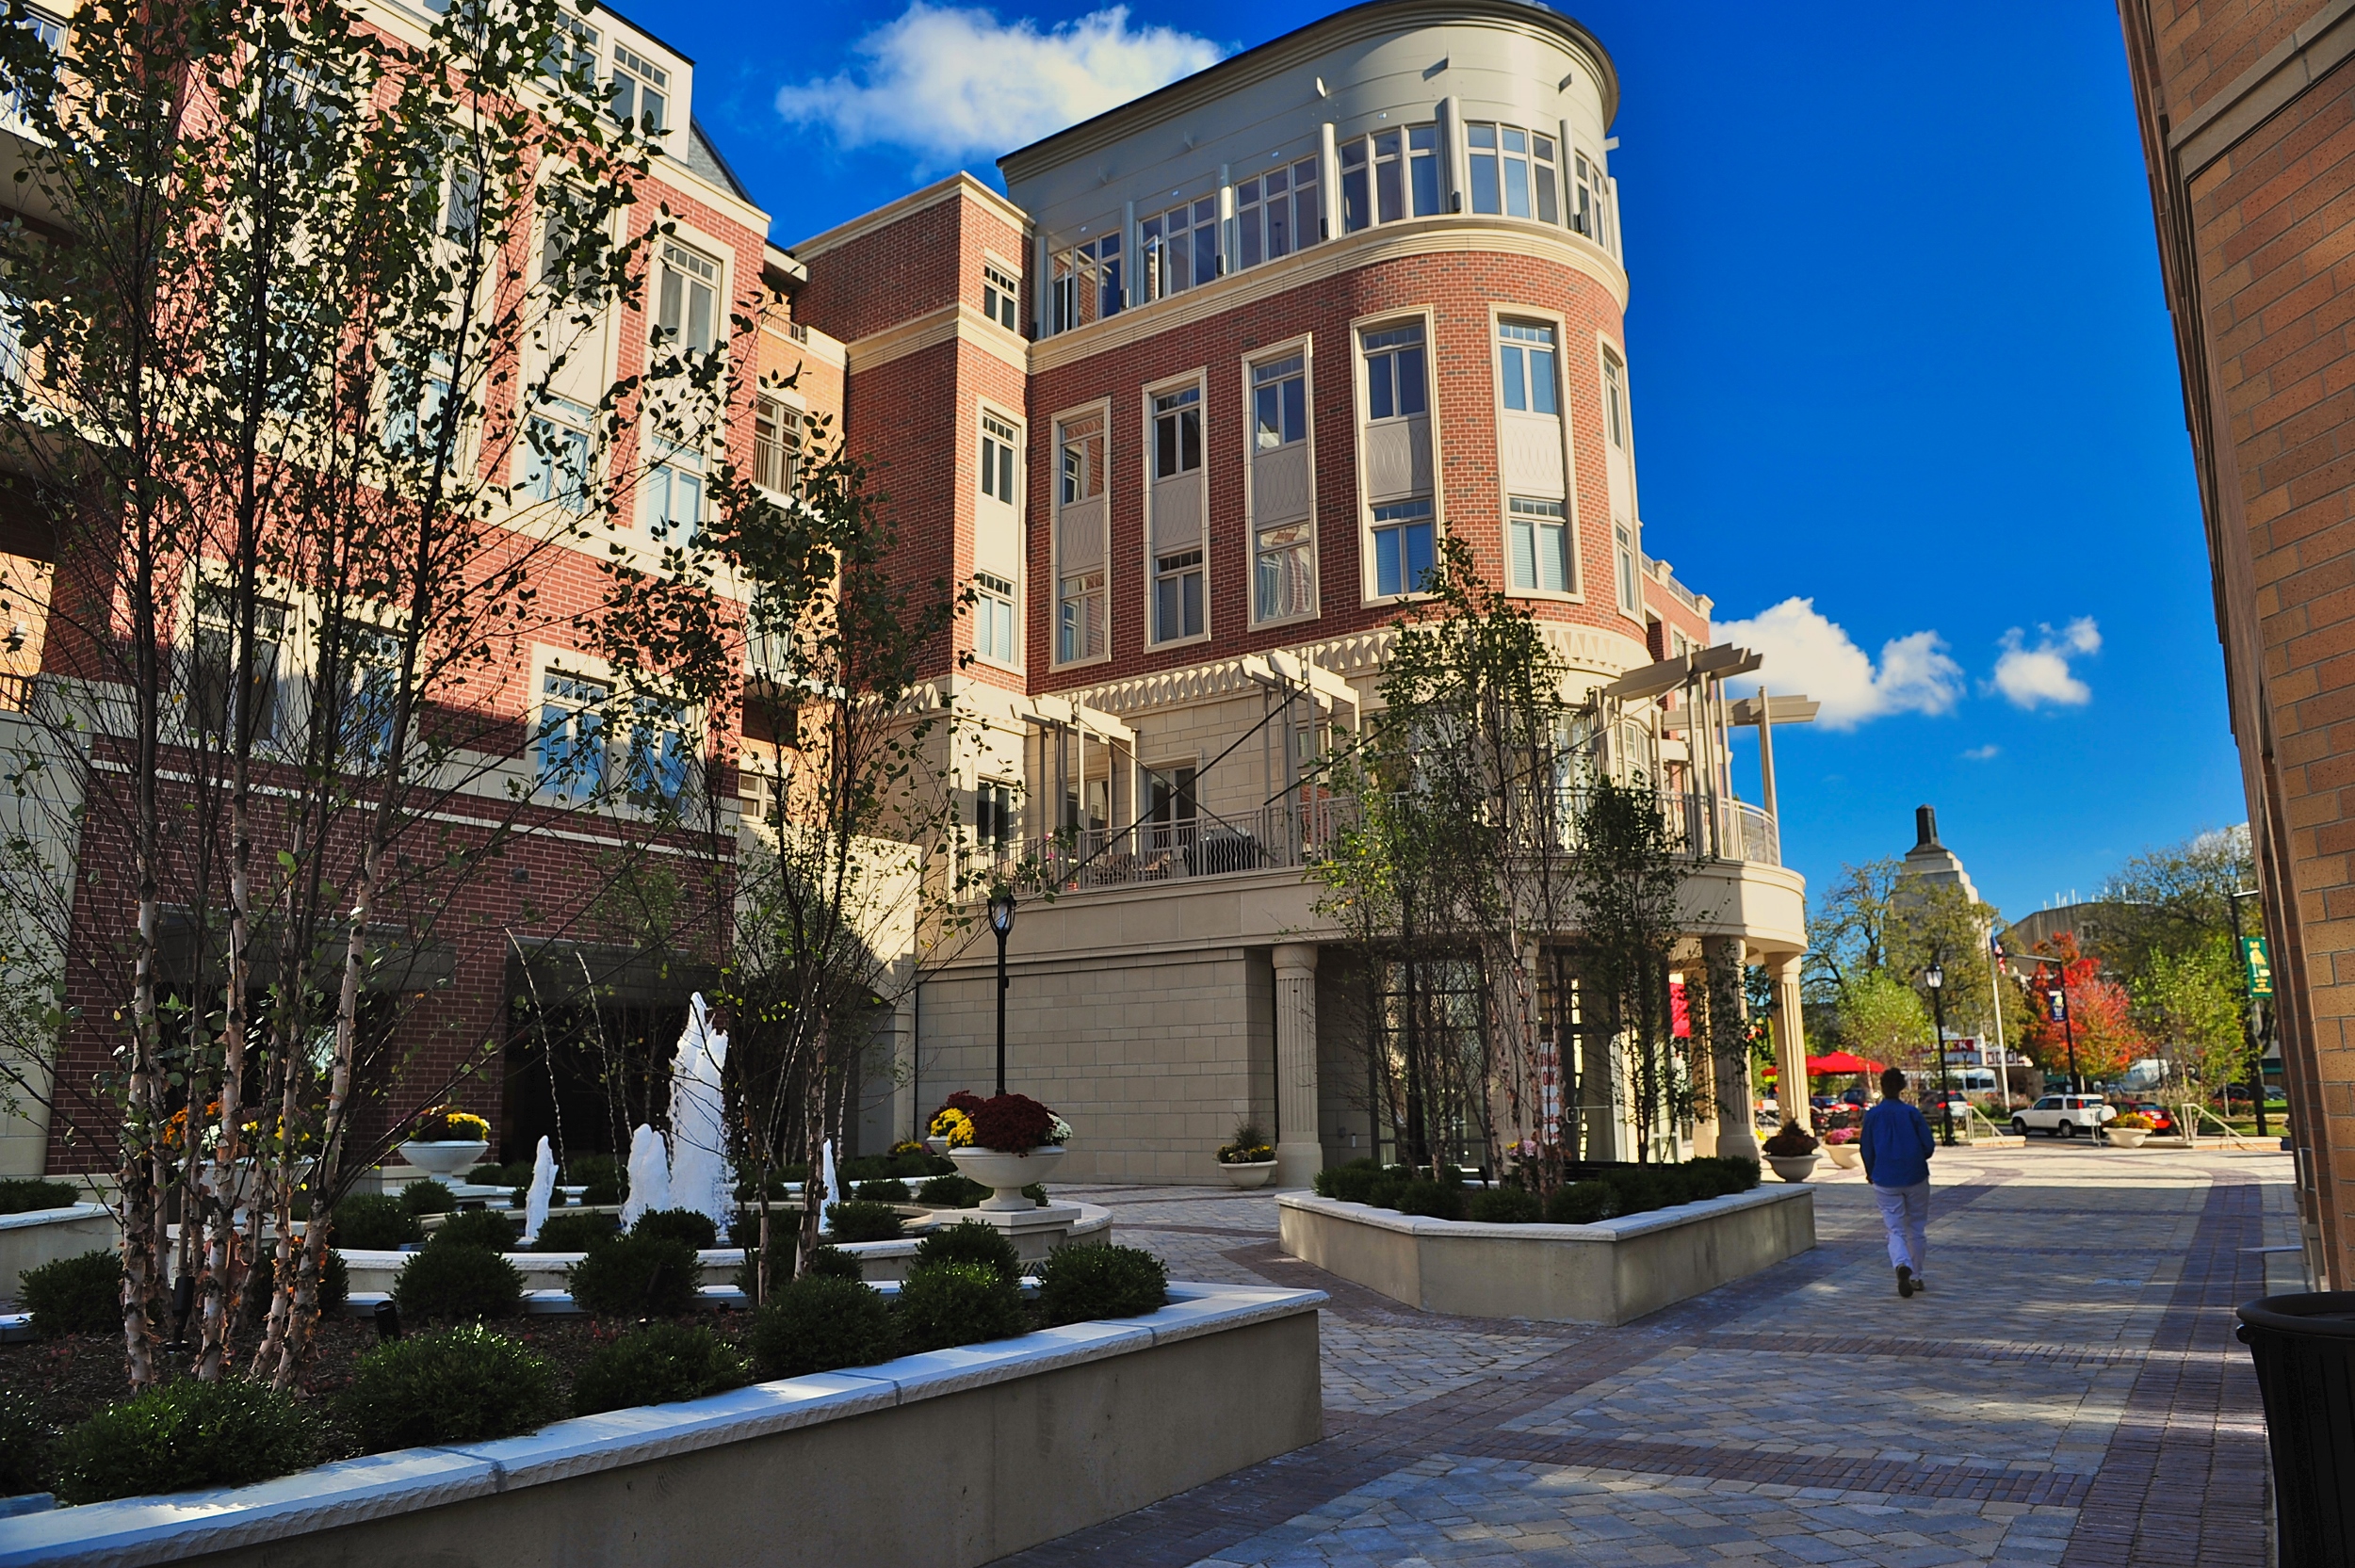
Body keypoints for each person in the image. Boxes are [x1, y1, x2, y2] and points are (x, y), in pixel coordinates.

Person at [1860, 1066, 1937, 1297]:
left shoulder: (1873, 1116)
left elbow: (1866, 1147)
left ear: (1882, 1087)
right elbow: (1928, 1145)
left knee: (1894, 1228)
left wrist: (1871, 1170)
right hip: (1915, 1175)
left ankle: (1901, 1263)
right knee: (1916, 1227)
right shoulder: (1912, 1114)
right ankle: (1916, 1275)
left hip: (1885, 1177)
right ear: (1902, 1087)